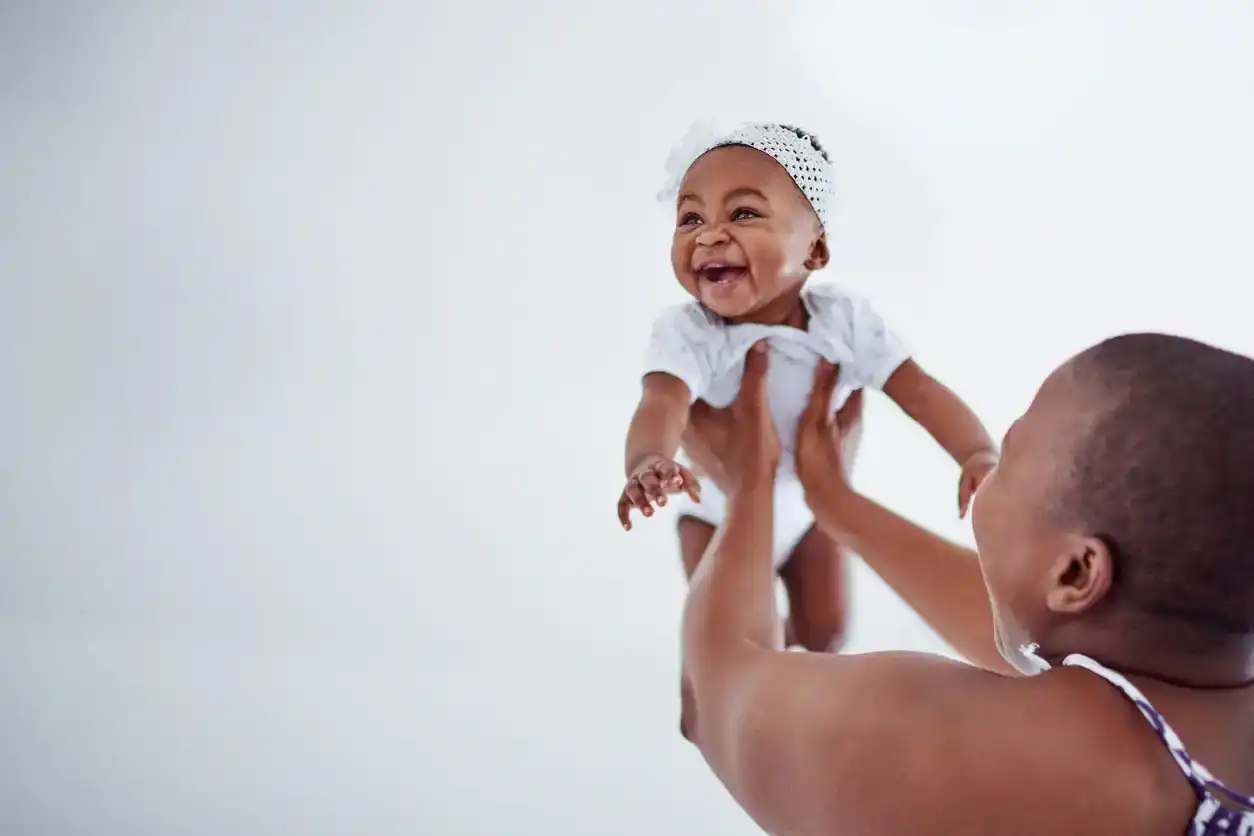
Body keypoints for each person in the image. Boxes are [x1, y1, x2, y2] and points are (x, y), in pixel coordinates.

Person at [676, 334, 1254, 834]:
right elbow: (1042, 631)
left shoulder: (1039, 770)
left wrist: (750, 485)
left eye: (1009, 456)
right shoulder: (1204, 676)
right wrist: (834, 502)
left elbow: (712, 693)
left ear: (1076, 572)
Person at [616, 122, 998, 678]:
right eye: (690, 218)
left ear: (814, 249)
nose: (709, 235)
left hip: (811, 511)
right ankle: (726, 680)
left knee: (827, 632)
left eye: (743, 213)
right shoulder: (690, 332)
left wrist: (975, 452)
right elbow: (662, 402)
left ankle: (789, 647)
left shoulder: (843, 322)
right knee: (723, 651)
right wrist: (648, 459)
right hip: (714, 513)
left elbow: (918, 390)